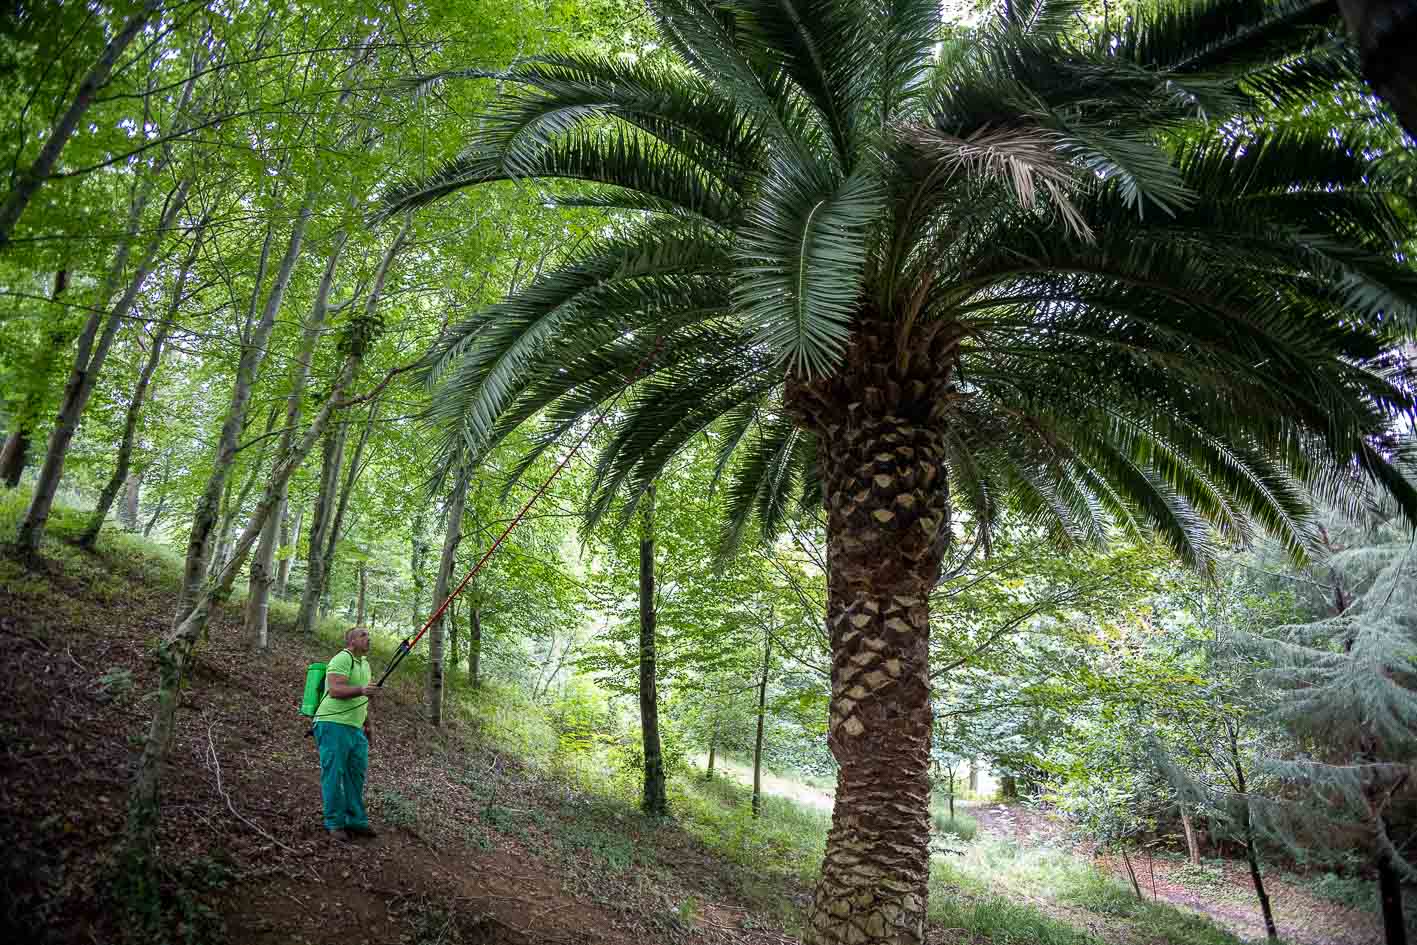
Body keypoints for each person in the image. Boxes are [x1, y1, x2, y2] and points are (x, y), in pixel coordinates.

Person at [313, 626, 380, 841]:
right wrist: (361, 690)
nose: (368, 639)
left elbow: (363, 698)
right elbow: (335, 690)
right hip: (332, 723)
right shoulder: (342, 659)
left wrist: (368, 725)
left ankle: (356, 820)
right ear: (351, 641)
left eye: (368, 635)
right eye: (363, 635)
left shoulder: (366, 665)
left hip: (355, 727)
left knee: (356, 774)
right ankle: (334, 822)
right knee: (334, 773)